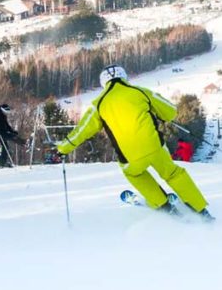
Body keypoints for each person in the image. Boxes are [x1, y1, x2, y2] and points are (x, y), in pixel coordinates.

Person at [56, 64, 213, 220]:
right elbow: (170, 111)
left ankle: (163, 204)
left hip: (129, 156)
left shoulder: (98, 104)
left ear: (103, 83)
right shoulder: (141, 92)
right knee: (173, 173)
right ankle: (200, 210)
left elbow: (82, 130)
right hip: (155, 147)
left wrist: (63, 148)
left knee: (133, 173)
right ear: (124, 77)